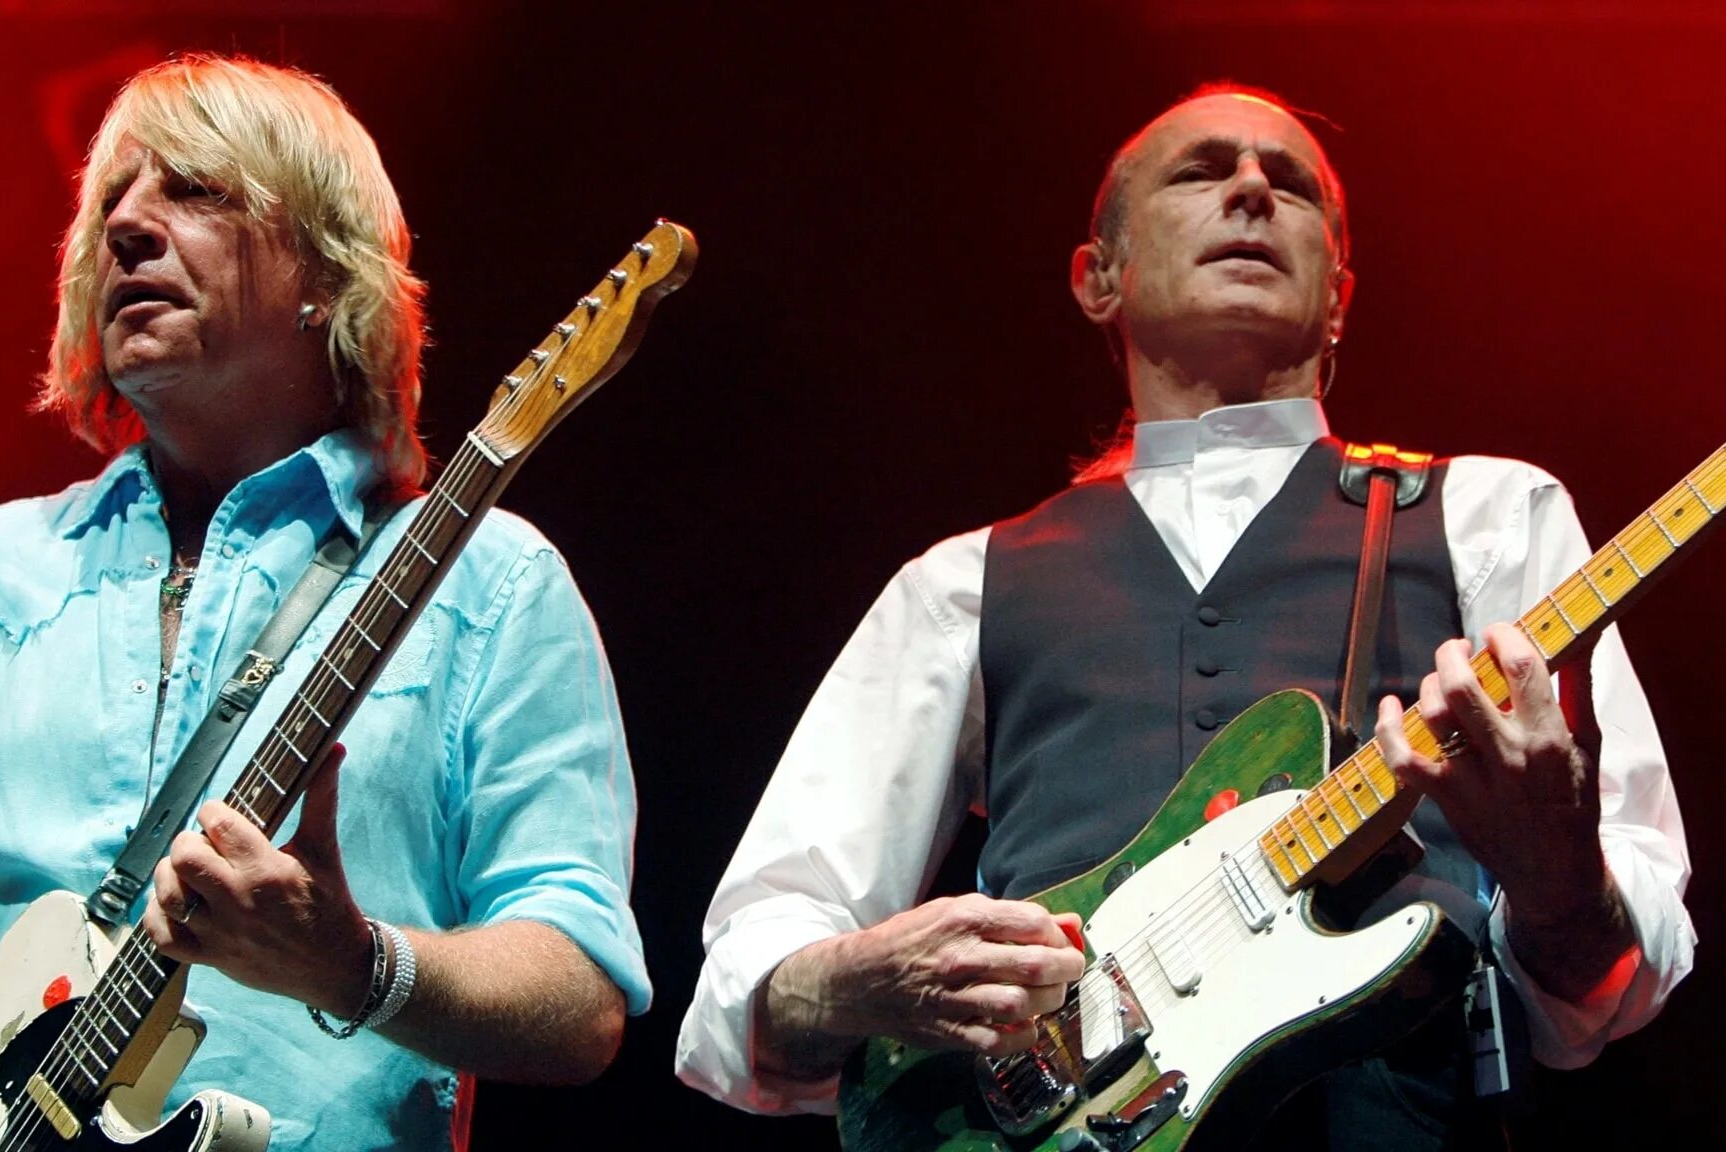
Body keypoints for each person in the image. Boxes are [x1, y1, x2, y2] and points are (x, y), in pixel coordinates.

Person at [675, 84, 1693, 1147]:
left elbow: (1615, 979)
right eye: (1202, 172)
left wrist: (1557, 872)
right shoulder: (963, 584)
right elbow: (746, 975)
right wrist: (850, 981)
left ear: (1339, 298)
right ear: (1097, 278)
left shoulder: (1487, 515)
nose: (1251, 189)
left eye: (1290, 184)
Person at [0, 54, 648, 1152]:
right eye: (110, 202)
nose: (125, 226)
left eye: (193, 189)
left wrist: (355, 964)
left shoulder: (492, 585)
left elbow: (578, 995)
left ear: (327, 273)